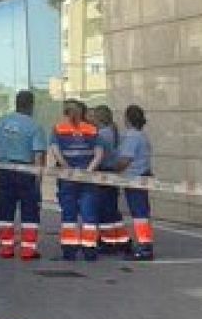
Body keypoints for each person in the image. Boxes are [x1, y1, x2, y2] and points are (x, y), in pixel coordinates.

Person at [0, 90, 47, 260]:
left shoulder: (0, 122)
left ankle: (6, 249)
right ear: (31, 105)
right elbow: (38, 154)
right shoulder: (34, 126)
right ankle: (28, 250)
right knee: (29, 211)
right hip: (26, 172)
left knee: (5, 210)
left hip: (3, 170)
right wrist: (38, 178)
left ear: (16, 102)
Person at [50, 100, 104, 261]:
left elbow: (55, 151)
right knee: (89, 214)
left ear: (65, 113)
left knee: (69, 213)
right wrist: (88, 171)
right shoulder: (92, 129)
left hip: (68, 178)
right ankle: (89, 250)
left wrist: (67, 168)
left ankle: (69, 250)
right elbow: (99, 154)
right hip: (87, 178)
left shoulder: (58, 128)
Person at [112, 105, 155, 260]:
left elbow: (125, 159)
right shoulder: (142, 136)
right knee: (142, 213)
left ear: (127, 119)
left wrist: (112, 170)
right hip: (141, 177)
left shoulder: (132, 137)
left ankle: (145, 248)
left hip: (134, 179)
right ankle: (145, 245)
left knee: (139, 215)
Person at [89, 105, 127, 254]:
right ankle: (121, 240)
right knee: (112, 208)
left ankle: (108, 242)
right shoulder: (113, 132)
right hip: (112, 172)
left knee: (104, 209)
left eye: (93, 116)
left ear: (99, 118)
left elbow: (98, 154)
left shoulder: (102, 135)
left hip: (103, 171)